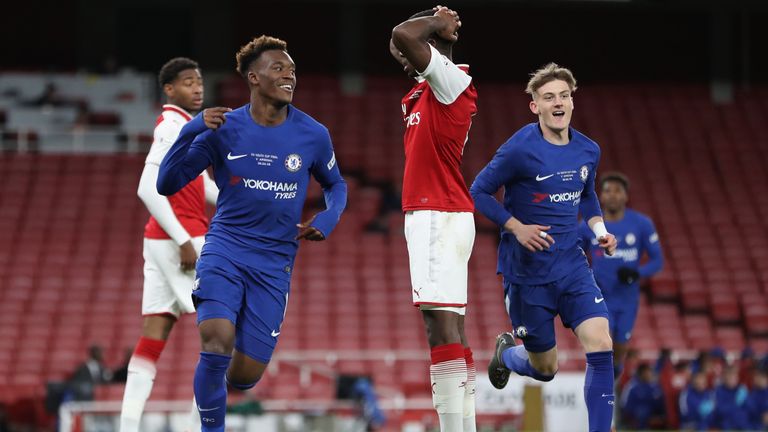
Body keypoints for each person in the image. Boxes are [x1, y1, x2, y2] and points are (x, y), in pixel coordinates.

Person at [157, 35, 347, 432]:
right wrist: (191, 129)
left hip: (275, 263)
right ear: (253, 78)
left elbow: (337, 185)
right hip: (225, 249)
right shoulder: (222, 127)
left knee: (244, 376)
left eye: (292, 70)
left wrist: (327, 220)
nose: (289, 75)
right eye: (278, 68)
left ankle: (213, 391)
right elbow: (167, 182)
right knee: (216, 340)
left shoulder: (314, 134)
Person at [470, 62, 618, 432]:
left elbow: (587, 196)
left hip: (572, 266)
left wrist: (599, 230)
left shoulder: (588, 150)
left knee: (601, 342)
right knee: (546, 369)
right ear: (534, 105)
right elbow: (477, 191)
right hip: (527, 274)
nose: (558, 103)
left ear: (572, 101)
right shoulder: (519, 148)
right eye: (549, 97)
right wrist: (516, 227)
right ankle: (507, 353)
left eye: (564, 96)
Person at [389, 6, 478, 431]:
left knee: (438, 326)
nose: (401, 58)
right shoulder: (426, 90)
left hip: (436, 213)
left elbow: (403, 33)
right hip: (444, 213)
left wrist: (436, 19)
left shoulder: (450, 79)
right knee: (453, 327)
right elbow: (404, 38)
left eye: (405, 54)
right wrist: (434, 17)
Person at [120, 57, 217, 432]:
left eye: (200, 81)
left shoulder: (185, 127)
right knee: (224, 330)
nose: (197, 88)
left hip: (160, 239)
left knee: (155, 332)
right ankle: (198, 425)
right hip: (184, 238)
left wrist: (241, 199)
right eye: (188, 82)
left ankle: (128, 425)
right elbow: (147, 187)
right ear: (169, 89)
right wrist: (183, 240)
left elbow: (203, 184)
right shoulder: (171, 128)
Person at [578, 172, 663, 378]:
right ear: (601, 196)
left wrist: (636, 273)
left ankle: (616, 374)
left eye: (618, 191)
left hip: (627, 299)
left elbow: (657, 260)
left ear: (626, 196)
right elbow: (573, 253)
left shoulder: (642, 224)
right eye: (608, 191)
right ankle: (603, 381)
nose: (613, 195)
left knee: (620, 346)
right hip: (600, 296)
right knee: (602, 343)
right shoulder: (588, 226)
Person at [619, 363, 665, 429]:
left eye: (650, 372)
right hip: (636, 416)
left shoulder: (654, 386)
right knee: (642, 411)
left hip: (652, 414)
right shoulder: (632, 386)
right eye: (648, 372)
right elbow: (625, 405)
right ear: (642, 373)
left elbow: (660, 403)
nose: (650, 374)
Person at [713, 366, 750, 430]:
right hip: (724, 424)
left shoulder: (742, 390)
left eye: (734, 377)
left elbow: (748, 410)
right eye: (729, 377)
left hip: (741, 424)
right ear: (724, 378)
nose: (732, 380)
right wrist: (734, 406)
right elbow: (719, 410)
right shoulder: (719, 390)